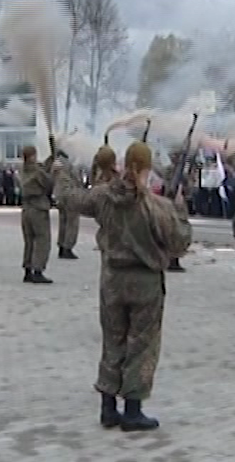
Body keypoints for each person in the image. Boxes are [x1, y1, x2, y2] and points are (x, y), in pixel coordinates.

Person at [62, 140, 191, 431]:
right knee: (141, 345)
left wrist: (65, 171)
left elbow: (71, 198)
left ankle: (108, 406)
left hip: (112, 280)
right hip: (145, 283)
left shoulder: (104, 196)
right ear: (147, 167)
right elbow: (180, 243)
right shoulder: (156, 206)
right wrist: (179, 208)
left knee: (113, 341)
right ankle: (133, 409)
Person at [19, 145, 54, 283]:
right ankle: (38, 270)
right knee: (42, 240)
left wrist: (49, 161)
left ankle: (27, 269)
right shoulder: (37, 171)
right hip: (38, 208)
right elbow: (48, 183)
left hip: (26, 208)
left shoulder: (22, 170)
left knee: (29, 241)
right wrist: (54, 171)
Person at [53, 152, 81, 259]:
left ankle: (61, 245)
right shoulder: (70, 163)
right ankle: (68, 247)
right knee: (72, 223)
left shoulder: (57, 163)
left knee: (63, 222)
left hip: (60, 196)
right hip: (70, 195)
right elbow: (76, 180)